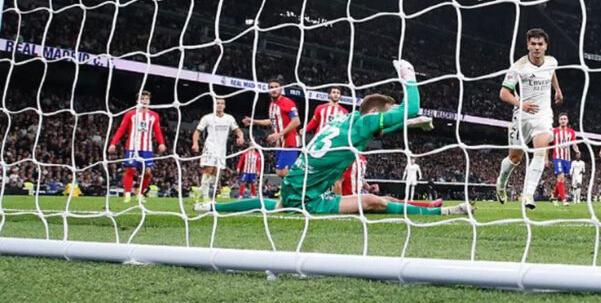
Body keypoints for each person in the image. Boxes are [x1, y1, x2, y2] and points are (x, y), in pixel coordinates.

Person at [198, 60, 470, 217]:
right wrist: (409, 76)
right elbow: (410, 107)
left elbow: (380, 129)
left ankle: (215, 207)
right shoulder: (365, 122)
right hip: (310, 197)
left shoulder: (346, 120)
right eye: (389, 114)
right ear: (374, 112)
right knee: (372, 202)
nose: (391, 117)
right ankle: (441, 213)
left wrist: (407, 124)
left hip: (296, 182)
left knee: (276, 205)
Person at [495, 28, 563, 209]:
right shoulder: (518, 67)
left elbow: (552, 72)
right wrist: (520, 104)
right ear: (527, 45)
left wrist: (557, 89)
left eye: (540, 44)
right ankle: (501, 183)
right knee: (514, 159)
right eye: (533, 44)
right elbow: (503, 93)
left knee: (540, 150)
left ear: (546, 46)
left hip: (543, 115)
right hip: (522, 117)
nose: (537, 48)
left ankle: (528, 195)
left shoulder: (551, 61)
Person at [108, 90, 166, 204]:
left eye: (146, 99)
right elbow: (121, 130)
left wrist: (161, 143)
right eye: (142, 99)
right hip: (132, 147)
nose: (144, 101)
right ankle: (128, 194)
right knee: (131, 170)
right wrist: (113, 143)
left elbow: (157, 131)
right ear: (137, 101)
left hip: (147, 148)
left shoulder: (154, 116)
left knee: (148, 172)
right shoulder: (130, 114)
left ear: (149, 101)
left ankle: (140, 194)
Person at [243, 77, 303, 179]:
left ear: (281, 89)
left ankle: (301, 188)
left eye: (276, 87)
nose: (274, 89)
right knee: (282, 172)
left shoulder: (287, 102)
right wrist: (253, 121)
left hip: (290, 141)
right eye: (271, 87)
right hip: (279, 143)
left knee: (283, 172)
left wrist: (279, 134)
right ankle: (288, 193)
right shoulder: (272, 105)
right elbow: (272, 121)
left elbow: (296, 121)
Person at [191, 97, 244, 202]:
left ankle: (200, 190)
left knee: (216, 175)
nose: (219, 105)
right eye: (217, 103)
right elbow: (197, 131)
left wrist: (241, 137)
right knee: (208, 170)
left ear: (224, 106)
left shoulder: (229, 118)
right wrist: (195, 143)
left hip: (221, 150)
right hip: (210, 147)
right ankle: (206, 197)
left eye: (221, 103)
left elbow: (238, 130)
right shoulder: (207, 118)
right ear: (214, 105)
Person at [551, 113, 580, 206]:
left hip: (567, 159)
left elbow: (574, 144)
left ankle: (554, 197)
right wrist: (546, 158)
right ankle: (564, 200)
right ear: (559, 120)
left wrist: (577, 151)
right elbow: (548, 144)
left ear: (567, 121)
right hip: (557, 157)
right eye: (561, 119)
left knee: (562, 179)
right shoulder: (554, 131)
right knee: (561, 176)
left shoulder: (571, 132)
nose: (563, 120)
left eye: (565, 119)